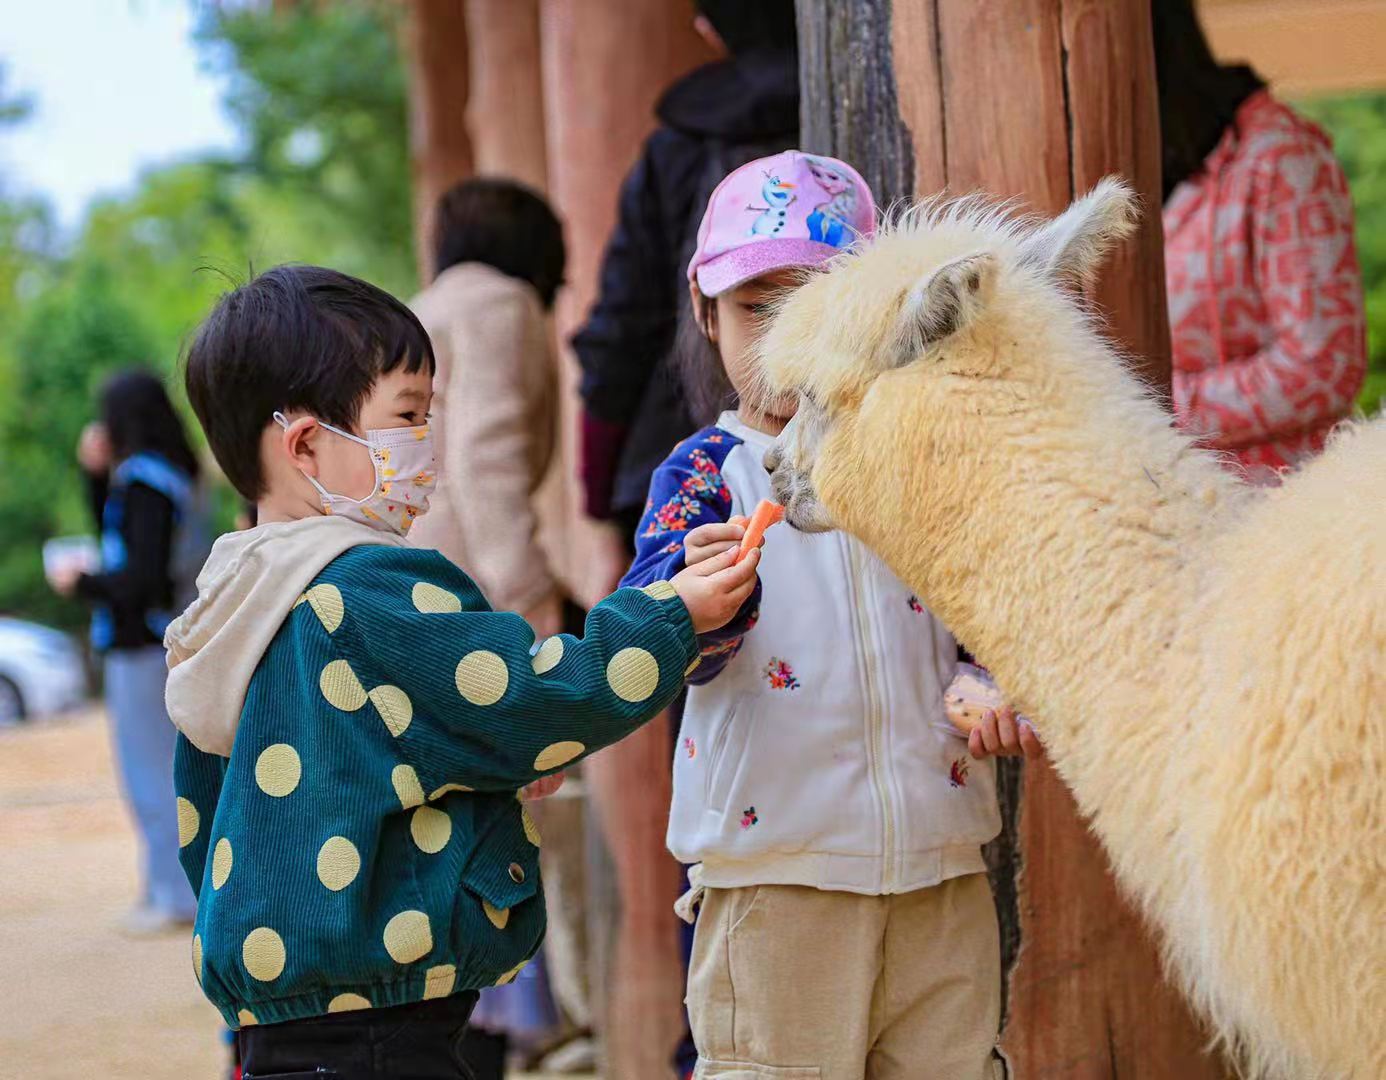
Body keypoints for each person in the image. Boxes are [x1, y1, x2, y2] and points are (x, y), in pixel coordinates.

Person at [163, 264, 760, 1079]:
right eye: (408, 416)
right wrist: (672, 611)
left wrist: (484, 776)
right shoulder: (368, 589)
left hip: (280, 1028)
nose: (428, 443)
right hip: (385, 1031)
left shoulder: (231, 606)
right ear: (307, 444)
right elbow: (536, 698)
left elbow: (342, 778)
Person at [620, 152, 1040, 1080]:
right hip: (775, 873)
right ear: (704, 308)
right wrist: (695, 606)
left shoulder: (920, 461)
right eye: (754, 309)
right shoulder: (699, 477)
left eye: (811, 306)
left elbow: (982, 608)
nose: (781, 340)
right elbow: (644, 647)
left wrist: (988, 676)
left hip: (940, 862)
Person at [408, 179, 570, 1075]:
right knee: (479, 859)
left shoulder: (421, 306)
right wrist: (533, 605)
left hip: (408, 602)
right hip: (469, 602)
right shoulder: (500, 304)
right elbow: (488, 459)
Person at [573, 0, 799, 585]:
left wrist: (598, 497)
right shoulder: (853, 108)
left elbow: (622, 325)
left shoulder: (673, 149)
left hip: (668, 433)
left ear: (708, 28)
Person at [1155, 0, 1367, 483]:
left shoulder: (1281, 158)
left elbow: (1321, 366)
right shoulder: (1157, 167)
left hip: (1277, 509)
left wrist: (1155, 407)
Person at [51, 369, 205, 934]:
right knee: (167, 769)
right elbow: (124, 542)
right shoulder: (170, 476)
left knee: (153, 773)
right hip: (164, 638)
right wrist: (94, 477)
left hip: (144, 641)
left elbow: (139, 577)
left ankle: (176, 895)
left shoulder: (144, 482)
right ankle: (173, 887)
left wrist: (80, 583)